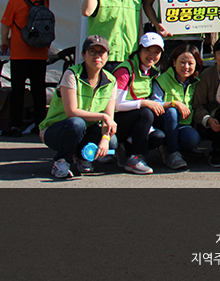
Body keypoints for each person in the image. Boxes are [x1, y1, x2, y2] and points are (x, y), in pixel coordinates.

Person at [39, 36, 118, 179]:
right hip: (57, 129)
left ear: (107, 56)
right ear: (83, 54)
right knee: (77, 123)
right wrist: (103, 116)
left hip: (84, 129)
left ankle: (81, 155)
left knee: (112, 142)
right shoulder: (71, 74)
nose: (97, 56)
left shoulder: (111, 80)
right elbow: (72, 112)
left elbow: (109, 116)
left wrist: (105, 138)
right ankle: (61, 161)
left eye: (101, 52)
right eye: (92, 51)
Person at [1, 0, 51, 136]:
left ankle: (15, 126)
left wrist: (4, 41)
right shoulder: (43, 0)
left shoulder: (15, 1)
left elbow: (6, 24)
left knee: (18, 89)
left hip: (20, 52)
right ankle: (40, 124)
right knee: (39, 90)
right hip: (40, 52)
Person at [111, 32, 167, 174]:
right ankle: (135, 158)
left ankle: (126, 150)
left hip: (138, 121)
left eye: (156, 52)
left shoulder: (152, 72)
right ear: (140, 50)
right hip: (118, 121)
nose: (152, 55)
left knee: (158, 137)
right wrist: (144, 103)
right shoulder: (125, 70)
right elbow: (117, 105)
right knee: (146, 112)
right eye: (148, 50)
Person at [151, 44, 204, 170]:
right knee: (172, 111)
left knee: (193, 139)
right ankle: (172, 153)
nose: (186, 67)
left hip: (183, 125)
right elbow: (154, 102)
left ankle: (172, 148)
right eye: (182, 62)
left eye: (190, 63)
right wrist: (174, 103)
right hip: (163, 123)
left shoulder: (196, 82)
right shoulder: (162, 79)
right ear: (174, 62)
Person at [192, 36, 220, 167]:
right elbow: (197, 105)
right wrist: (208, 120)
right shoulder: (206, 76)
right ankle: (216, 150)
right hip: (213, 120)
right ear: (214, 55)